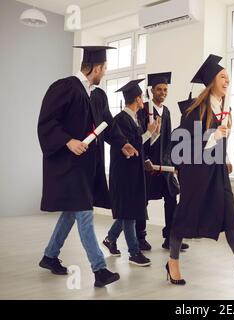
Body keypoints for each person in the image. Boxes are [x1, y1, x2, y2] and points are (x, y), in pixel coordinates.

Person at [37, 46, 139, 288]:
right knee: (84, 213)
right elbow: (46, 121)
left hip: (87, 166)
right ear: (96, 67)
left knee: (72, 212)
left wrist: (123, 143)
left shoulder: (98, 95)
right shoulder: (65, 87)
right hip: (68, 165)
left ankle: (49, 256)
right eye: (104, 69)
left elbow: (109, 125)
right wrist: (67, 141)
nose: (104, 73)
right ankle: (100, 270)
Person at [167, 55, 234, 294]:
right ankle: (173, 262)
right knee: (184, 217)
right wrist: (213, 136)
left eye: (228, 77)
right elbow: (185, 144)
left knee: (231, 219)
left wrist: (224, 157)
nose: (227, 81)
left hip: (217, 172)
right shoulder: (195, 109)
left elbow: (219, 141)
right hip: (196, 173)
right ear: (211, 81)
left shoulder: (224, 108)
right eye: (223, 76)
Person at [102, 79, 159, 267]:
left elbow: (139, 145)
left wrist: (151, 133)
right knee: (129, 212)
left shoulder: (134, 119)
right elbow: (129, 146)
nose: (143, 100)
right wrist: (148, 133)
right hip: (124, 173)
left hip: (134, 171)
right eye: (142, 96)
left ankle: (110, 239)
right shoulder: (120, 120)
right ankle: (134, 252)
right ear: (137, 99)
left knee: (129, 212)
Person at [135, 72, 189, 252]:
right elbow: (139, 136)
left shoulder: (166, 111)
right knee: (142, 200)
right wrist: (145, 159)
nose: (163, 92)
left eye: (165, 90)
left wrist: (172, 163)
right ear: (151, 91)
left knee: (171, 197)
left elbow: (166, 140)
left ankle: (170, 237)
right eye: (159, 89)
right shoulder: (143, 110)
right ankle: (139, 237)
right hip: (147, 163)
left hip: (163, 163)